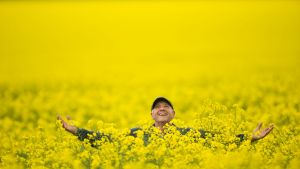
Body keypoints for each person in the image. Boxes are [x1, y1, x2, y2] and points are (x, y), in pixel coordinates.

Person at [57, 97, 274, 146]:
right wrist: (76, 130)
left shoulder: (190, 134)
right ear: (151, 115)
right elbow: (107, 141)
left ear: (173, 114)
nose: (162, 108)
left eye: (166, 107)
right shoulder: (136, 134)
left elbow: (222, 142)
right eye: (157, 107)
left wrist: (250, 138)